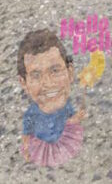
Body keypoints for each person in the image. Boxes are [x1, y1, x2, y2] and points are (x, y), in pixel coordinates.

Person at [18, 29, 84, 167]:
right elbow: (27, 133)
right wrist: (25, 146)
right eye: (36, 75)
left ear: (70, 72)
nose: (48, 83)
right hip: (42, 145)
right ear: (24, 83)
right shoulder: (31, 114)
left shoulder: (67, 106)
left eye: (55, 70)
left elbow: (71, 122)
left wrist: (76, 118)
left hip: (62, 140)